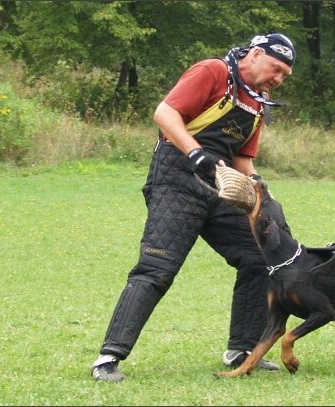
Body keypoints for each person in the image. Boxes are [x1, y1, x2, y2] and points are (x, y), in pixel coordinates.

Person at [91, 33, 296, 382]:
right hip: (177, 177)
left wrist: (262, 189)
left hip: (220, 186)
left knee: (261, 256)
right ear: (257, 54)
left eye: (284, 75)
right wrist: (196, 153)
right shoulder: (214, 71)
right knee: (157, 268)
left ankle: (242, 350)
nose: (278, 79)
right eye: (276, 69)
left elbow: (243, 155)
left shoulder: (259, 102)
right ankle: (107, 358)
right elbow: (165, 112)